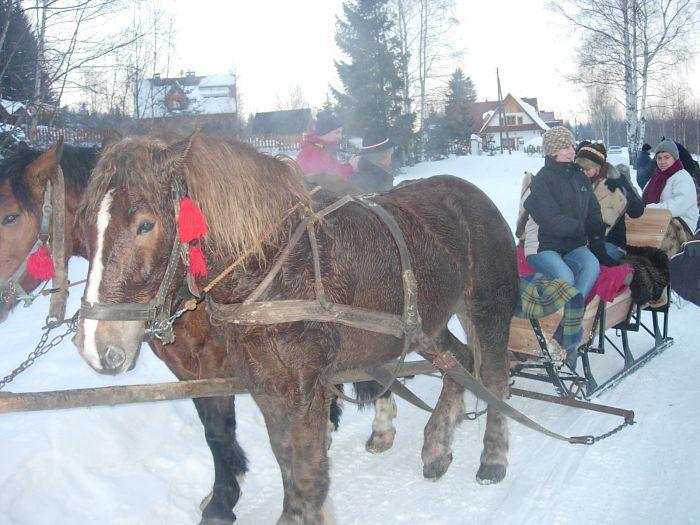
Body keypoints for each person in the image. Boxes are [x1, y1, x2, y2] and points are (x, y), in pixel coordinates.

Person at [523, 127, 618, 303]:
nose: (572, 151)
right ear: (553, 151)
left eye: (572, 146)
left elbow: (593, 210)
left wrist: (596, 234)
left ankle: (573, 316)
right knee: (565, 277)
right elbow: (552, 221)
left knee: (591, 266)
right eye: (566, 147)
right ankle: (566, 319)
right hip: (543, 246)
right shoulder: (542, 181)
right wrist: (584, 228)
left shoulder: (579, 176)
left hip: (573, 245)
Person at [575, 141, 644, 260]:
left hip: (612, 243)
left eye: (587, 169)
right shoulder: (578, 182)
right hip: (583, 243)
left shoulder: (616, 180)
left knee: (588, 260)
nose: (584, 173)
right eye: (581, 170)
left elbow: (637, 211)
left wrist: (625, 193)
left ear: (598, 166)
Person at [643, 138, 699, 255]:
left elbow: (677, 205)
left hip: (682, 225)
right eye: (659, 158)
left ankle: (667, 267)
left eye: (666, 157)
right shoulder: (655, 177)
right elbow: (643, 198)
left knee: (663, 234)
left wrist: (650, 209)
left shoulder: (682, 177)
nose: (662, 161)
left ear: (674, 158)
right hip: (657, 219)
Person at [296, 109, 358, 178]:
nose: (340, 137)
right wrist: (350, 167)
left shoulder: (322, 148)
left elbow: (332, 169)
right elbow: (329, 180)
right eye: (337, 132)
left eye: (341, 132)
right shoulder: (314, 152)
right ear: (325, 133)